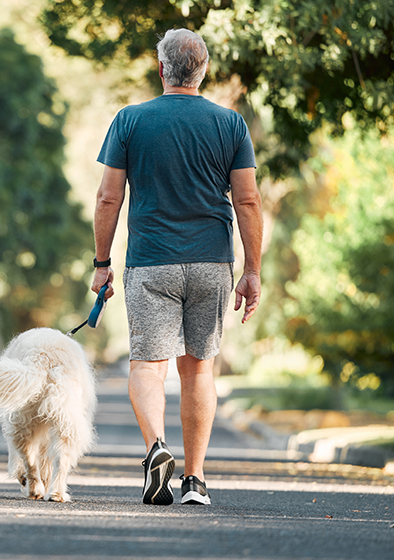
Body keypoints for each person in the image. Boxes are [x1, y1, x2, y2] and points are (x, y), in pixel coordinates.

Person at [91, 29, 263, 506]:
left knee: (149, 365)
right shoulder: (230, 124)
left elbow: (109, 197)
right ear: (203, 70)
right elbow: (247, 199)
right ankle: (195, 480)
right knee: (199, 370)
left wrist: (102, 263)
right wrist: (253, 269)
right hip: (212, 261)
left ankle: (155, 449)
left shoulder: (130, 120)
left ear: (160, 67)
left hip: (151, 262)